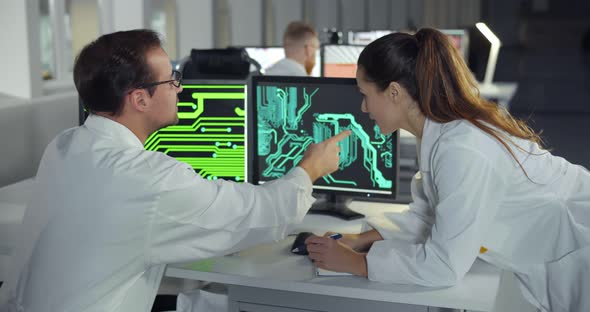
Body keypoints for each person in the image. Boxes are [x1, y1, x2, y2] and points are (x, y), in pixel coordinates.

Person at [0, 29, 350, 312]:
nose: (180, 87)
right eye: (172, 80)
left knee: (205, 302)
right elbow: (256, 212)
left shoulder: (64, 146)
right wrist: (310, 168)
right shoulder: (146, 178)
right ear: (140, 100)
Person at [304, 28, 590, 312]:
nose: (364, 108)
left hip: (576, 248)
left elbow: (443, 266)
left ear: (394, 92)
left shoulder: (461, 149)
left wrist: (356, 263)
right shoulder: (438, 131)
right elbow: (431, 212)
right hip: (550, 247)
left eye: (365, 94)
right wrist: (361, 239)